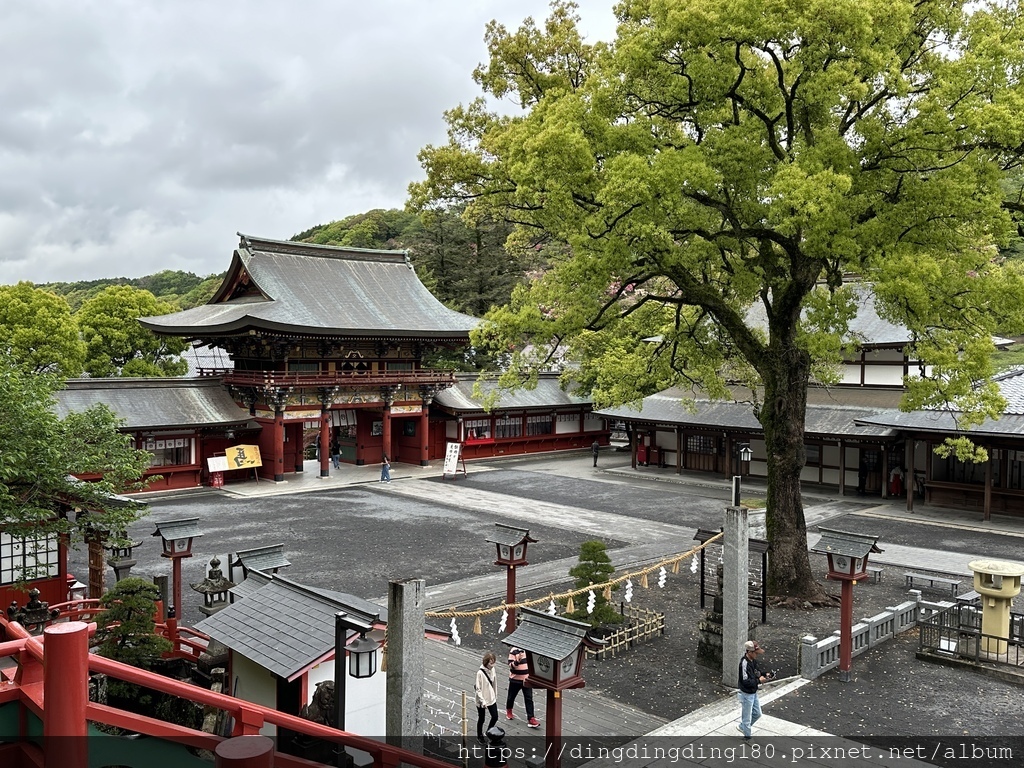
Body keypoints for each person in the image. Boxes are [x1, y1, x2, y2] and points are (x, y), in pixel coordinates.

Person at [737, 640, 770, 740]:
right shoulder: (744, 664)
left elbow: (757, 672)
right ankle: (747, 737)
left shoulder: (753, 661)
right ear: (749, 652)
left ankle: (743, 727)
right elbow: (745, 681)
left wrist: (765, 674)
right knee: (746, 718)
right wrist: (759, 681)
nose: (757, 655)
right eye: (755, 653)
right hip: (746, 693)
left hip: (753, 691)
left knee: (757, 713)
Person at [505, 646, 539, 728]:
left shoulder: (528, 650)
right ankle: (509, 710)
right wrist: (517, 661)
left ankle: (531, 718)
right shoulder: (514, 651)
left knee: (529, 699)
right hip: (515, 680)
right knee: (511, 697)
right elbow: (510, 665)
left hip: (526, 680)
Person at [474, 652, 498, 744]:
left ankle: (488, 732)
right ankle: (479, 736)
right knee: (481, 718)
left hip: (491, 697)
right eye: (490, 663)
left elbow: (494, 683)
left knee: (495, 716)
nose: (492, 665)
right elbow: (478, 689)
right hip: (482, 700)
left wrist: (495, 695)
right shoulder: (480, 673)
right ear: (486, 662)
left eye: (493, 663)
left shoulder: (493, 670)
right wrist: (482, 701)